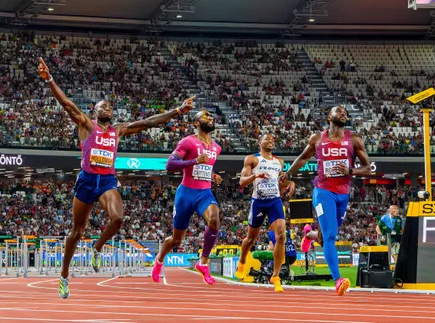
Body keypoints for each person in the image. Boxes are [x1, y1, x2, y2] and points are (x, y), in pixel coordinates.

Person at [37, 57, 195, 299]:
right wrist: (49, 79)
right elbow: (66, 103)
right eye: (103, 106)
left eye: (110, 106)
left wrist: (178, 110)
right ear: (95, 111)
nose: (108, 108)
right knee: (77, 231)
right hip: (87, 180)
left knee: (118, 219)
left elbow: (148, 122)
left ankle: (97, 246)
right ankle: (64, 276)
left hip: (107, 181)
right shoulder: (85, 124)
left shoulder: (118, 130)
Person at [281, 105, 371, 296]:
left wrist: (350, 171)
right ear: (328, 117)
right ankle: (338, 280)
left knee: (324, 237)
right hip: (323, 192)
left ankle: (309, 235)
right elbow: (303, 158)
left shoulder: (354, 140)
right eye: (338, 111)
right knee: (330, 236)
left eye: (345, 112)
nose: (343, 113)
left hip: (343, 194)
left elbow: (368, 168)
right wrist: (288, 174)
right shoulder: (318, 139)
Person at [151, 109, 224, 285]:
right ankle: (160, 259)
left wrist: (213, 175)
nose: (210, 119)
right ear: (196, 123)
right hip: (186, 193)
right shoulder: (188, 141)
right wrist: (194, 161)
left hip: (204, 193)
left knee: (214, 220)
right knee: (177, 239)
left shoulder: (216, 147)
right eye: (205, 117)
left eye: (211, 117)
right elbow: (170, 164)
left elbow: (204, 166)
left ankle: (203, 263)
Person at [234, 134, 295, 292]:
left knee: (281, 235)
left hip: (274, 201)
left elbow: (279, 181)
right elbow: (241, 182)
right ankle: (241, 261)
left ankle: (275, 276)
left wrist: (291, 183)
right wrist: (256, 176)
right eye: (267, 138)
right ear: (259, 142)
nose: (271, 140)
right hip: (258, 202)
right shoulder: (252, 159)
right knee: (251, 239)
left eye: (273, 139)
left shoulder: (279, 162)